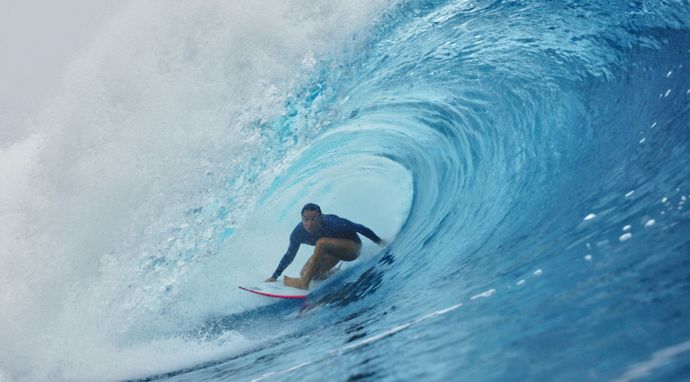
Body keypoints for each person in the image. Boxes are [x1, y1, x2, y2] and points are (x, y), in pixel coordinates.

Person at [265, 203, 386, 290]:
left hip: (351, 248)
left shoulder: (333, 222)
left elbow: (360, 228)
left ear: (320, 217)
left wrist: (380, 242)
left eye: (314, 219)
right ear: (301, 219)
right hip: (331, 252)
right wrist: (275, 276)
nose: (310, 223)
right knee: (305, 272)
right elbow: (289, 255)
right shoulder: (298, 233)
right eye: (306, 219)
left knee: (321, 243)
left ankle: (304, 283)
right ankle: (330, 273)